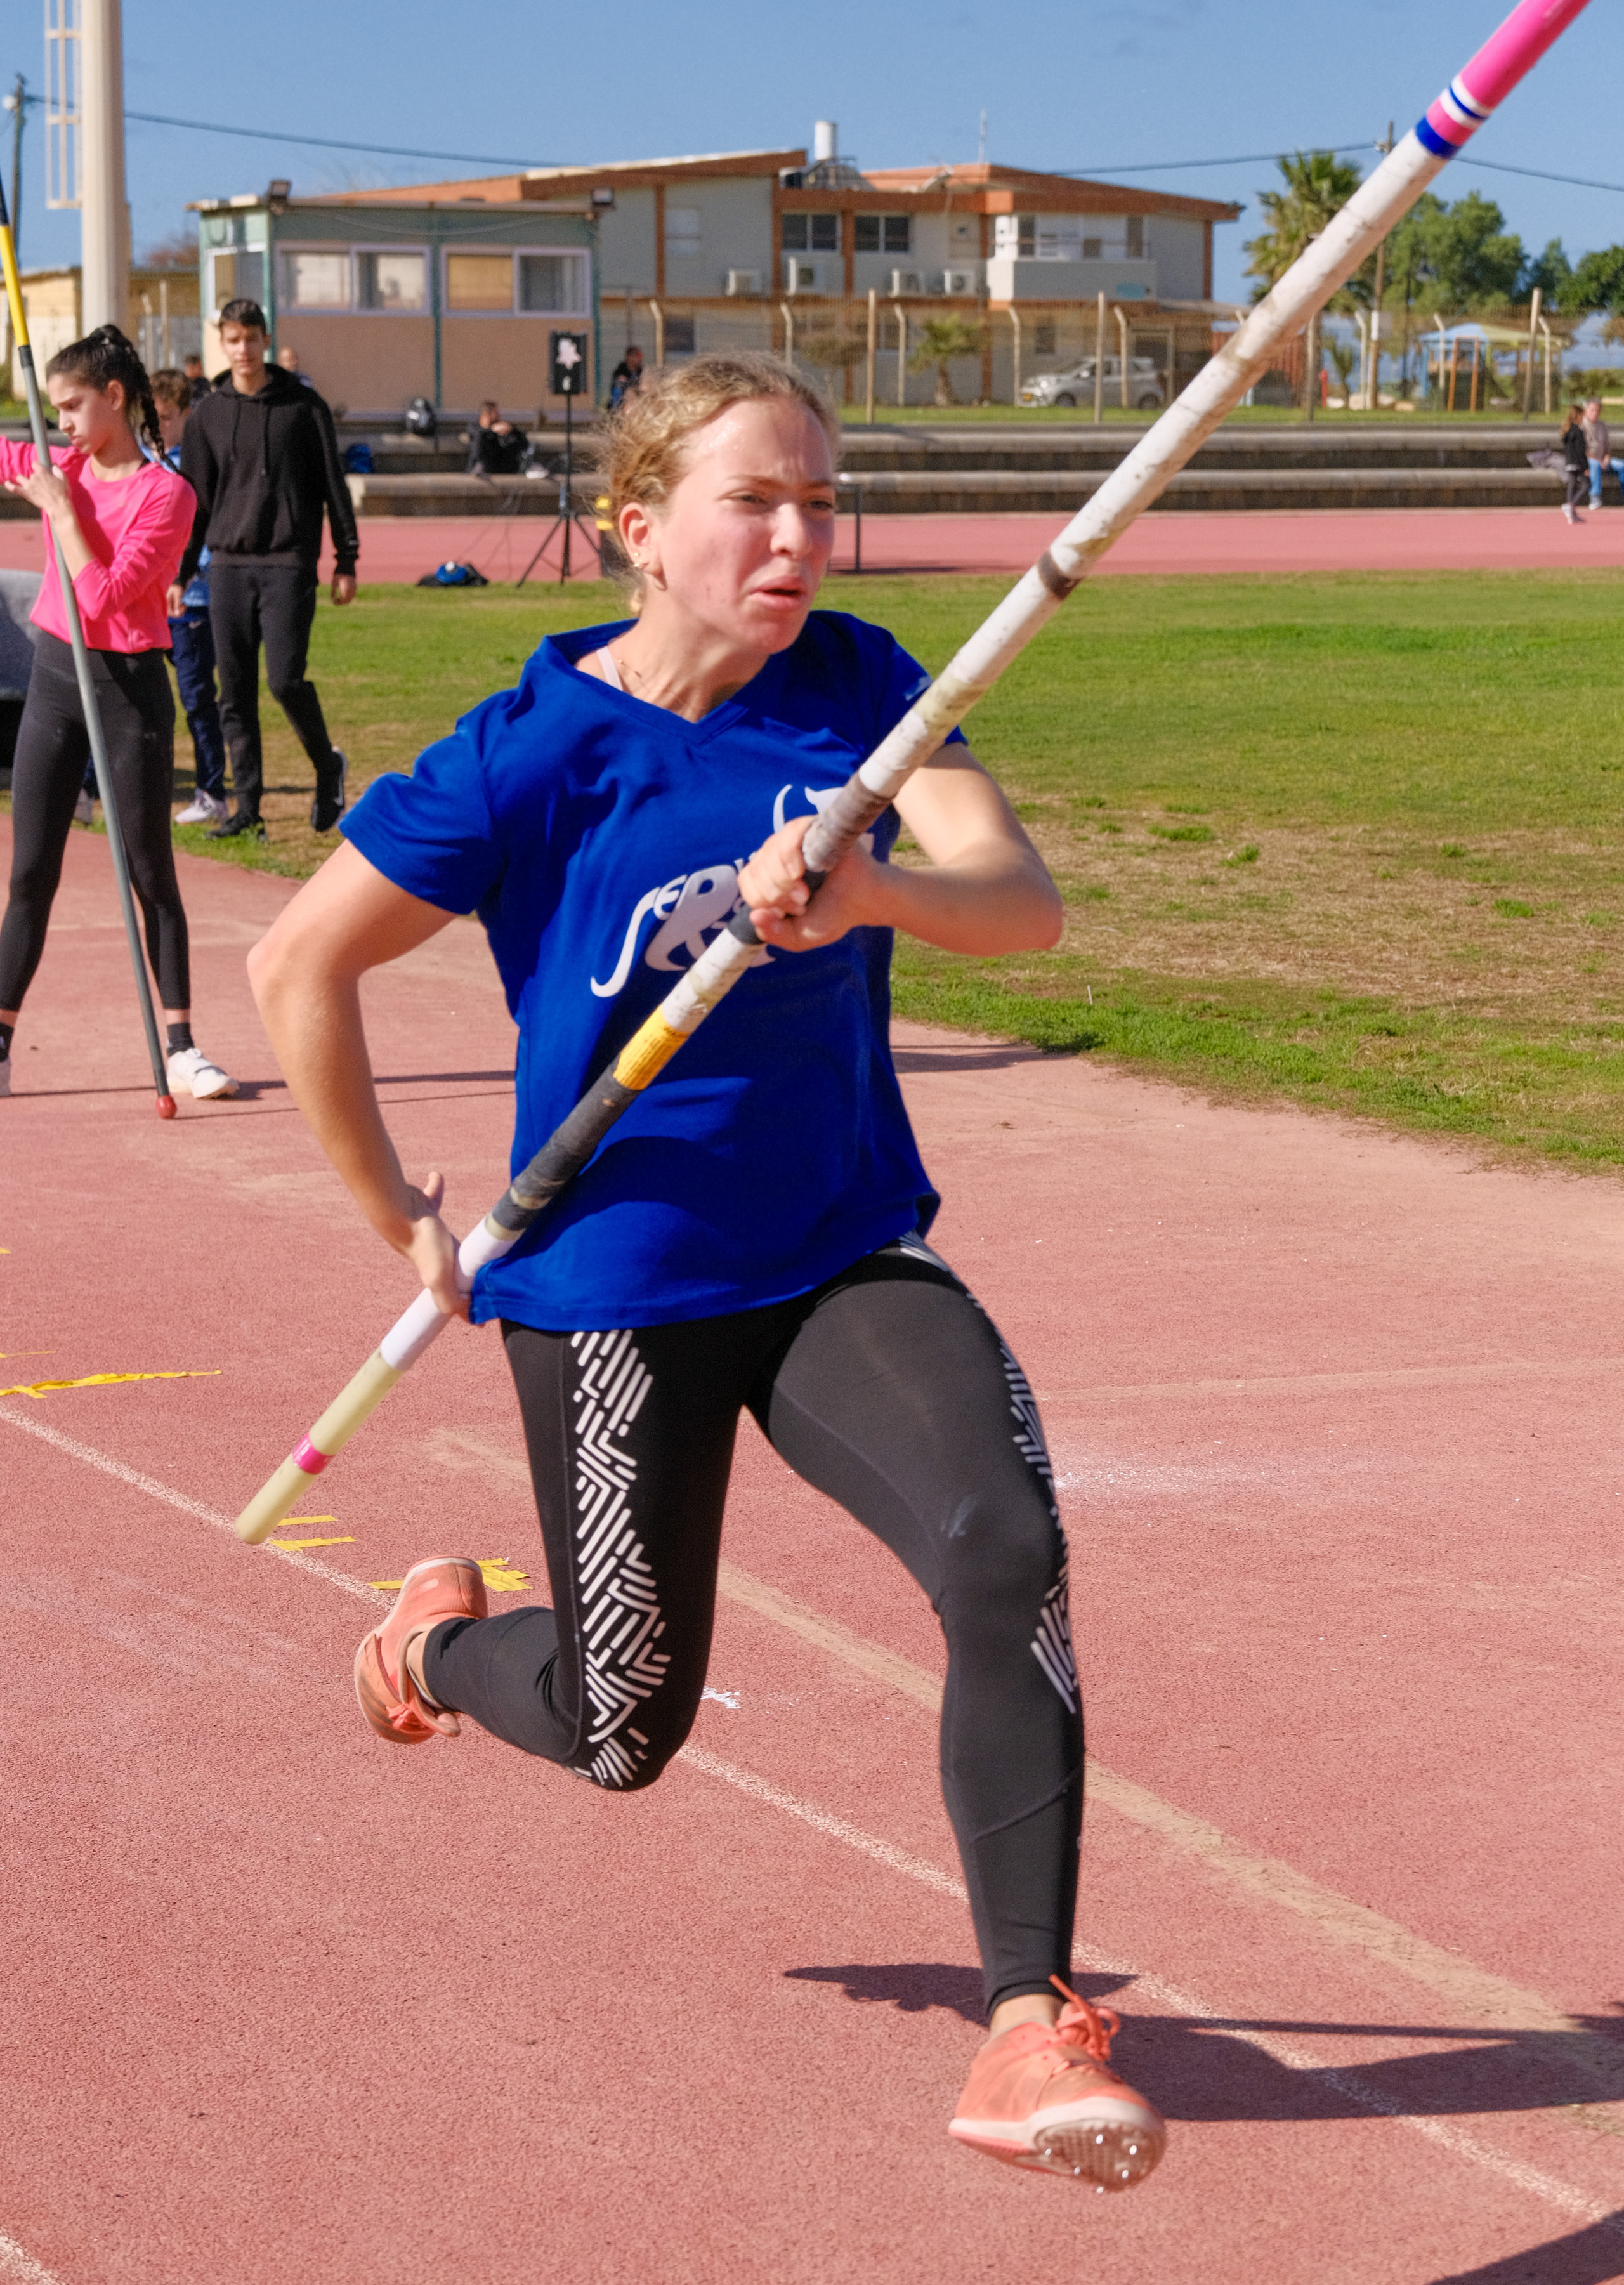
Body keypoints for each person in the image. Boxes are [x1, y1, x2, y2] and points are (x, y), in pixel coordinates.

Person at [246, 351, 1167, 2191]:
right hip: (610, 1280)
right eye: (757, 499)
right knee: (621, 1721)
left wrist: (879, 888)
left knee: (1008, 1539)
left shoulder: (864, 690)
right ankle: (432, 1639)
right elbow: (298, 964)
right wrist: (401, 1222)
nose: (803, 535)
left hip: (836, 1247)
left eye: (826, 499)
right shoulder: (536, 747)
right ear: (639, 525)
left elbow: (1024, 903)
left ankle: (1020, 2020)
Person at [0, 325, 236, 1101]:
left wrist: (63, 515)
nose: (60, 422)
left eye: (72, 406)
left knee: (150, 875)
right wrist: (49, 485)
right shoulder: (57, 462)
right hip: (55, 684)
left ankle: (180, 1045)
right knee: (31, 872)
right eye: (53, 408)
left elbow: (102, 598)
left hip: (128, 693)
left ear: (115, 397)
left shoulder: (166, 494)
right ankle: (0, 1044)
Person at [174, 298, 355, 842]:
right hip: (226, 566)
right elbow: (196, 502)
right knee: (235, 691)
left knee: (284, 680)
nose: (244, 350)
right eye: (233, 340)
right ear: (222, 344)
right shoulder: (206, 415)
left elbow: (333, 486)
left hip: (287, 562)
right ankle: (247, 806)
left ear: (265, 340)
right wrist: (180, 573)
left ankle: (328, 768)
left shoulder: (304, 406)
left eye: (252, 338)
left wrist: (346, 558)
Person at [150, 369, 228, 827]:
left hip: (192, 603)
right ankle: (101, 783)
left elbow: (206, 528)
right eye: (150, 419)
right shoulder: (141, 461)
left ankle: (211, 791)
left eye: (164, 418)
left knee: (197, 698)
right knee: (134, 699)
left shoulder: (196, 465)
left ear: (185, 415)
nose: (156, 428)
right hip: (145, 605)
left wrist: (190, 570)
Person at [464, 400, 529, 478]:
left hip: (499, 465)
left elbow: (520, 439)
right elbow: (477, 437)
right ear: (488, 413)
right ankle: (479, 471)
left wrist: (511, 430)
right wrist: (492, 430)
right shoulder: (475, 427)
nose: (498, 415)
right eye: (496, 413)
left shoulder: (499, 427)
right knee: (480, 438)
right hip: (482, 463)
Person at [1583, 398, 1623, 511]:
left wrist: (1606, 458)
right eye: (1592, 410)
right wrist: (1598, 461)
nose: (1595, 413)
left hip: (1603, 460)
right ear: (1586, 410)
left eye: (1597, 410)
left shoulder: (1602, 426)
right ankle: (1595, 498)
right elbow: (1582, 450)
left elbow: (1608, 448)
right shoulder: (1582, 426)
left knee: (1622, 466)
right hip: (1589, 461)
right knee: (1595, 464)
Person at [1561, 402, 1589, 526]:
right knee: (1587, 485)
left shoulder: (1567, 431)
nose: (1583, 419)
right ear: (1578, 416)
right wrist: (1586, 467)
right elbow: (1580, 451)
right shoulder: (1578, 432)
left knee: (1572, 485)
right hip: (1577, 463)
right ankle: (1571, 505)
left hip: (1569, 462)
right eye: (1582, 416)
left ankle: (1572, 514)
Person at [608, 346, 644, 411]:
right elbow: (616, 395)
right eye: (637, 356)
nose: (640, 359)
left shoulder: (641, 374)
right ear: (629, 357)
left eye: (640, 356)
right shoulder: (620, 373)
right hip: (622, 409)